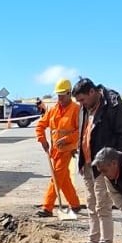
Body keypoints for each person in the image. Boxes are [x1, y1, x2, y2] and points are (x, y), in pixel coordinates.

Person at [70, 78, 122, 243]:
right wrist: (81, 155)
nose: (80, 104)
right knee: (91, 204)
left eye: (82, 99)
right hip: (88, 165)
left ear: (92, 92)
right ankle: (93, 242)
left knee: (103, 206)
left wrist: (112, 162)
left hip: (104, 167)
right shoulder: (85, 107)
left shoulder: (114, 106)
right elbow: (84, 132)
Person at [34, 79, 83, 217]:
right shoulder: (53, 110)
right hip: (55, 151)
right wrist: (42, 140)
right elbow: (40, 125)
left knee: (56, 177)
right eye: (58, 95)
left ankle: (47, 207)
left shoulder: (76, 110)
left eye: (62, 95)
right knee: (64, 178)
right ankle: (75, 204)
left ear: (69, 93)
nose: (59, 98)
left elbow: (81, 131)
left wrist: (67, 139)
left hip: (68, 150)